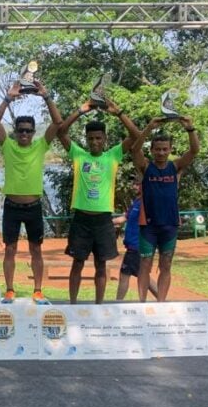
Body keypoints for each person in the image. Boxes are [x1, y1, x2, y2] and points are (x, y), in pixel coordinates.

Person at [57, 97, 142, 304]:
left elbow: (136, 135)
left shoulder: (113, 156)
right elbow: (61, 132)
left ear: (104, 138)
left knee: (101, 265)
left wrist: (118, 112)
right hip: (81, 220)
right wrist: (81, 109)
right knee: (77, 264)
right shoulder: (79, 155)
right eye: (91, 138)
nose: (94, 142)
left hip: (103, 221)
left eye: (98, 138)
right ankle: (73, 305)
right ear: (86, 139)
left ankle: (98, 306)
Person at [0, 81, 63, 305]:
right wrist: (8, 97)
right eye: (20, 130)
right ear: (15, 132)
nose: (24, 134)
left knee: (36, 250)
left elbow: (58, 122)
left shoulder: (40, 146)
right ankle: (10, 290)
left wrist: (46, 96)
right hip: (12, 207)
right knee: (10, 250)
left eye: (28, 131)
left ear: (33, 133)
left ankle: (38, 291)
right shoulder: (8, 146)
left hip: (33, 207)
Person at [131, 116, 200, 302]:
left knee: (166, 264)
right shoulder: (146, 167)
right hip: (148, 226)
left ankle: (161, 303)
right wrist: (149, 127)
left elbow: (194, 150)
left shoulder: (175, 166)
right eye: (157, 149)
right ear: (152, 150)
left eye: (164, 149)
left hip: (169, 225)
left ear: (170, 150)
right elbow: (134, 149)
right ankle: (142, 303)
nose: (161, 153)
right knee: (145, 263)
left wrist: (190, 128)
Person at [113, 178, 158, 301]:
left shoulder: (147, 203)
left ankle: (117, 304)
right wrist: (108, 223)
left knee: (126, 275)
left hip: (138, 246)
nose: (135, 186)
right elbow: (124, 218)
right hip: (132, 246)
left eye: (138, 184)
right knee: (141, 276)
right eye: (135, 184)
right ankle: (162, 300)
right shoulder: (136, 203)